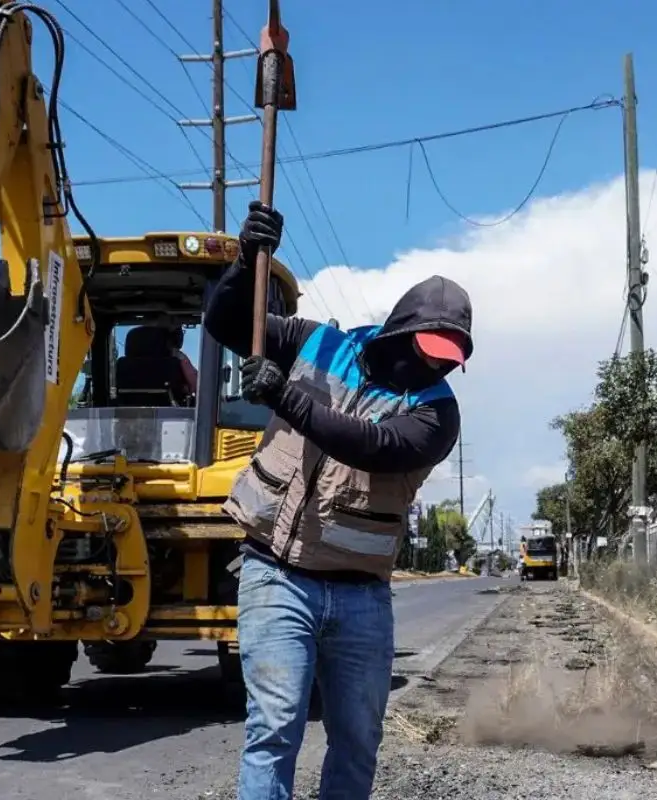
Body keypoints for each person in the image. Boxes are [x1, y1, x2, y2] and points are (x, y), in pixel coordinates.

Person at [203, 200, 473, 800]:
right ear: (401, 330)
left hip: (361, 597)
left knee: (357, 739)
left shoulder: (436, 413)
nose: (436, 369)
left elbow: (375, 446)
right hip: (275, 575)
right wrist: (247, 260)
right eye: (430, 352)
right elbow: (226, 324)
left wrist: (288, 401)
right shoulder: (316, 344)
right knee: (272, 731)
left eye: (450, 360)